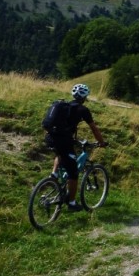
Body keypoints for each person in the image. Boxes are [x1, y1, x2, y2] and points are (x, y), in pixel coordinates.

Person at [45, 83, 107, 212]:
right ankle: (72, 203)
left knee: (60, 153)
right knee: (73, 173)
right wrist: (101, 142)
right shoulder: (83, 110)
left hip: (50, 137)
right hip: (64, 140)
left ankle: (54, 174)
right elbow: (94, 129)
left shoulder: (63, 106)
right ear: (85, 97)